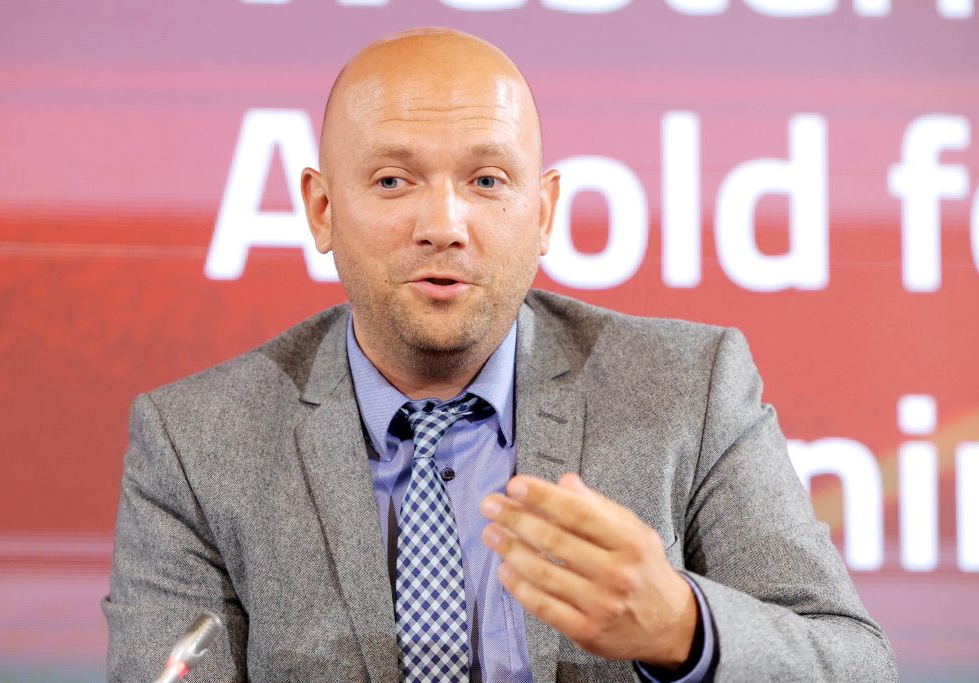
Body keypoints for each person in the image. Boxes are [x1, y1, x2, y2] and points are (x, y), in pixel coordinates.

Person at [103, 27, 897, 683]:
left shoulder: (690, 388)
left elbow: (854, 663)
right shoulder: (195, 442)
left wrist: (683, 628)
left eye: (486, 180)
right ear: (321, 209)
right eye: (393, 181)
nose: (443, 225)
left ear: (543, 212)